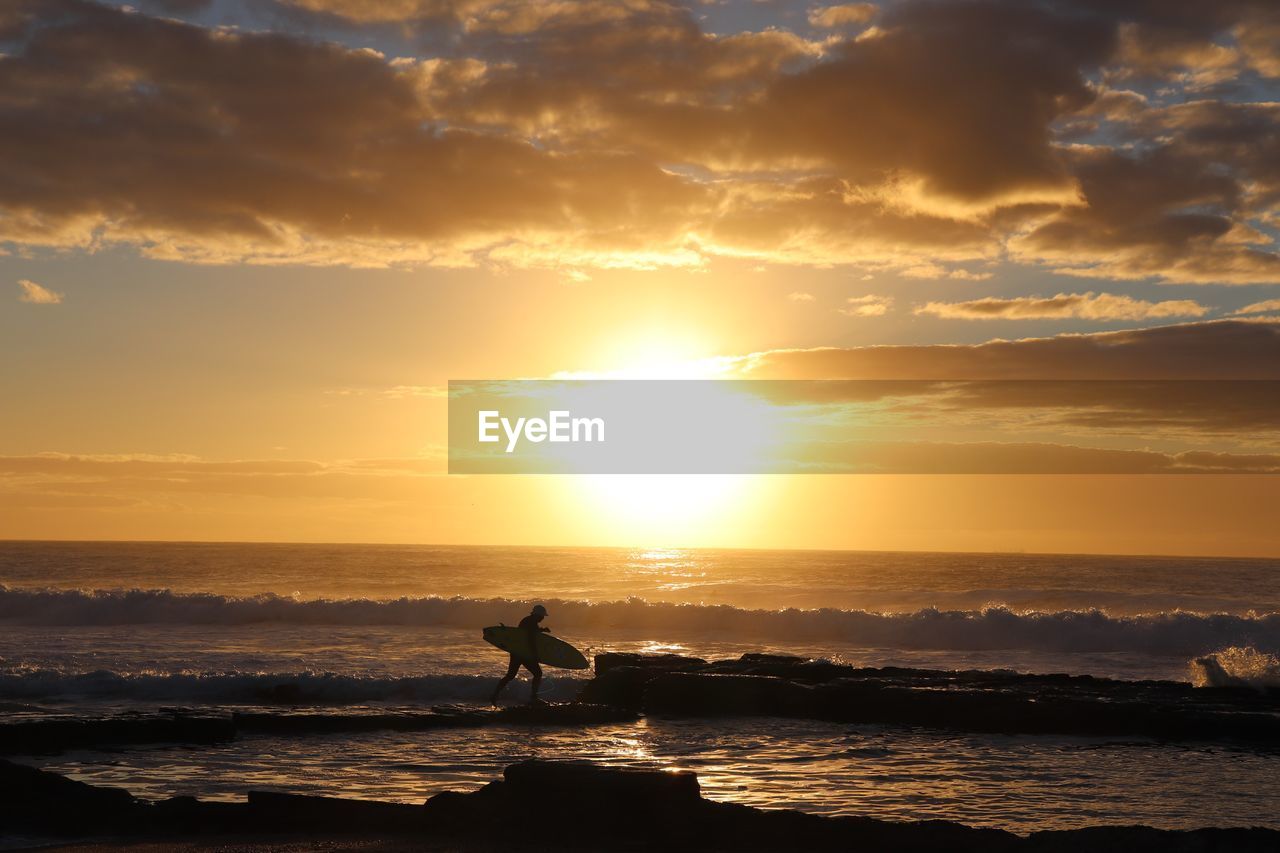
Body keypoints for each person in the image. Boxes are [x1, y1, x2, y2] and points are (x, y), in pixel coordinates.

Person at [490, 604, 550, 705]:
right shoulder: (532, 622)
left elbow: (529, 632)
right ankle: (533, 698)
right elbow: (530, 639)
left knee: (510, 675)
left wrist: (542, 630)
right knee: (538, 673)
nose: (543, 618)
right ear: (538, 615)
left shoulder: (528, 620)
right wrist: (534, 654)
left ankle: (494, 695)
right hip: (524, 654)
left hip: (517, 652)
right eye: (542, 616)